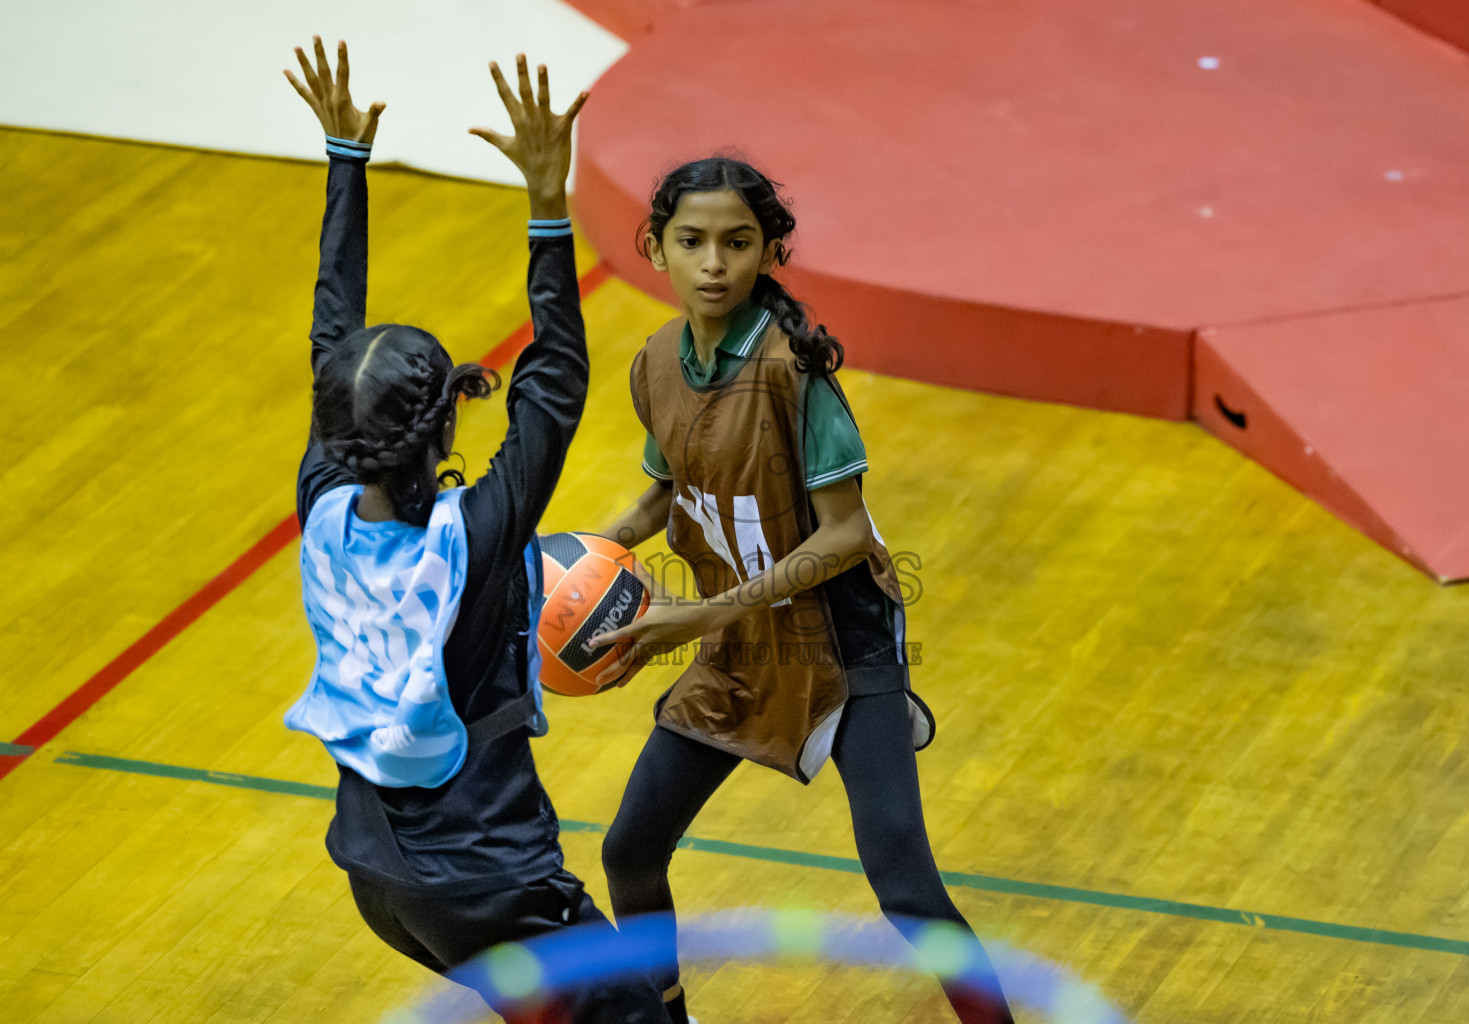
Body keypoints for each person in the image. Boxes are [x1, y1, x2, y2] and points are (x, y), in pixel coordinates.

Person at [281, 36, 666, 1024]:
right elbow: (556, 385)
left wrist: (345, 165)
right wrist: (547, 202)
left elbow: (335, 339)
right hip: (495, 884)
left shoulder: (321, 500)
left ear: (335, 426)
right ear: (448, 420)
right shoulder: (474, 539)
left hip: (376, 873)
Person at [589, 157, 1015, 1024]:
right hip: (743, 644)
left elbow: (846, 534)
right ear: (655, 249)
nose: (714, 263)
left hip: (842, 643)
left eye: (737, 243)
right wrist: (578, 553)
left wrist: (700, 615)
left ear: (768, 252)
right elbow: (666, 490)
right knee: (632, 850)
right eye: (692, 242)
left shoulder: (795, 371)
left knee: (906, 890)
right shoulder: (658, 363)